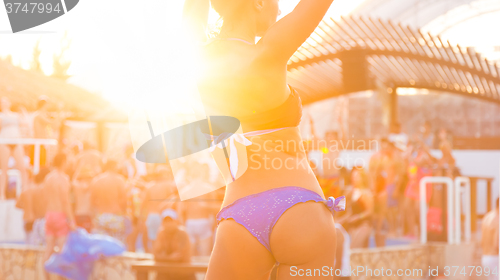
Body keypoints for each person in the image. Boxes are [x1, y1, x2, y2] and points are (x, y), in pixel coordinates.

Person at [183, 0, 345, 279]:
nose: (280, 10)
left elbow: (193, 9)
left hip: (240, 216)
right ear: (258, 3)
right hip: (299, 209)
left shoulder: (196, 56)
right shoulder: (269, 50)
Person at [42, 153, 76, 263]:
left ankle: (45, 278)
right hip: (59, 215)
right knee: (62, 249)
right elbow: (65, 201)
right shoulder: (63, 178)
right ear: (63, 162)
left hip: (49, 215)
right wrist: (71, 221)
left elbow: (45, 198)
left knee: (48, 249)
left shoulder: (48, 178)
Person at [140, 165, 176, 252]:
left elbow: (143, 203)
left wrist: (141, 218)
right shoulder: (168, 185)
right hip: (163, 216)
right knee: (164, 240)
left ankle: (154, 259)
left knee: (153, 241)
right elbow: (173, 201)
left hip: (151, 216)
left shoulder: (150, 186)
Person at [90, 159, 128, 243]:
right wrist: (124, 213)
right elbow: (124, 199)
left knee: (102, 245)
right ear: (113, 167)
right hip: (115, 215)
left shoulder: (97, 180)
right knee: (117, 245)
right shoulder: (119, 180)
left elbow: (92, 201)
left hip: (101, 216)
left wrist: (94, 217)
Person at [153, 209, 195, 280]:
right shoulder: (161, 233)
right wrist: (169, 258)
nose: (168, 223)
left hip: (184, 274)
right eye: (166, 221)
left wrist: (164, 257)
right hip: (166, 273)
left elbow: (178, 257)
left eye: (170, 221)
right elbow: (156, 255)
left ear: (176, 221)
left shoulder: (182, 233)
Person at [0, 97, 28, 200]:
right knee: (4, 170)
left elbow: (25, 123)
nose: (4, 103)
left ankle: (25, 192)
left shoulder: (16, 115)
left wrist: (23, 112)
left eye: (5, 101)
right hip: (4, 142)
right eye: (2, 102)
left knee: (22, 168)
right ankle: (2, 194)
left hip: (16, 141)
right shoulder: (1, 115)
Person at [481, 198, 499, 280]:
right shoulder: (497, 219)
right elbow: (497, 244)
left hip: (485, 257)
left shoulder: (487, 217)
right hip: (495, 258)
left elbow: (482, 241)